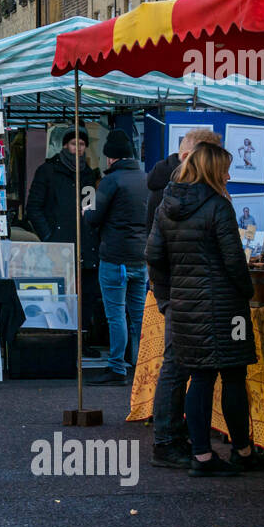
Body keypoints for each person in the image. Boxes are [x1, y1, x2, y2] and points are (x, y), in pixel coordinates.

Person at [146, 141, 264, 477]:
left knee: (199, 377)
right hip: (225, 306)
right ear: (213, 171)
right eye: (225, 169)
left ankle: (201, 454)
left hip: (184, 305)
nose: (229, 175)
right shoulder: (218, 206)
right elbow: (233, 261)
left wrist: (170, 295)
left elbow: (153, 256)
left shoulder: (166, 206)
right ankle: (242, 449)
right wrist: (246, 291)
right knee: (233, 376)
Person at [145, 129, 222, 468]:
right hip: (189, 297)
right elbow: (156, 254)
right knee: (178, 366)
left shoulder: (172, 193)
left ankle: (172, 437)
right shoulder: (183, 195)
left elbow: (154, 253)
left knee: (178, 366)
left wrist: (165, 296)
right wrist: (167, 297)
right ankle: (167, 440)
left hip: (180, 296)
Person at [83, 129, 149, 385]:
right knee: (139, 315)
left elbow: (93, 218)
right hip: (139, 258)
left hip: (115, 258)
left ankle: (117, 368)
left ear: (110, 158)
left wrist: (85, 208)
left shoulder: (112, 181)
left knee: (116, 315)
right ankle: (145, 367)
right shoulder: (144, 178)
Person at [26, 126, 101, 349]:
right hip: (58, 245)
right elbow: (34, 207)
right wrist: (49, 236)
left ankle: (82, 341)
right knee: (61, 293)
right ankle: (62, 339)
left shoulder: (89, 173)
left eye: (81, 144)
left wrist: (92, 233)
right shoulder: (48, 171)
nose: (77, 148)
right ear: (64, 146)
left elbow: (91, 207)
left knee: (85, 295)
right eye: (73, 144)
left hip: (86, 246)